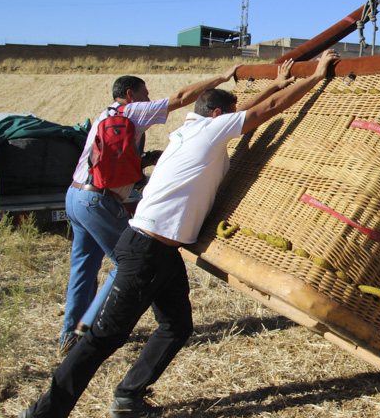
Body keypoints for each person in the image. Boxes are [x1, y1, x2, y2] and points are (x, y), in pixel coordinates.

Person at [20, 50, 340, 418]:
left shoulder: (191, 129)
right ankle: (44, 412)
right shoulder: (209, 132)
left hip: (160, 252)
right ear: (218, 116)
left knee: (177, 325)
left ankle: (128, 396)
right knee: (104, 338)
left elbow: (242, 112)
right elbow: (256, 115)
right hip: (146, 250)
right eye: (230, 113)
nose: (235, 118)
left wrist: (279, 84)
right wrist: (314, 77)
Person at [60, 69, 250, 350]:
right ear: (130, 95)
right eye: (145, 93)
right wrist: (221, 79)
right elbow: (181, 97)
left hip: (76, 196)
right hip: (99, 200)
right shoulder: (132, 112)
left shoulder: (104, 116)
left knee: (83, 268)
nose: (148, 98)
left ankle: (69, 332)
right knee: (128, 262)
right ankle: (84, 329)